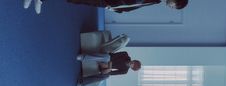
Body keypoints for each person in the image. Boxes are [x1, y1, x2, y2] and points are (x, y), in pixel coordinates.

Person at [23, 0, 188, 15]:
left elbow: (134, 5)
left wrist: (118, 9)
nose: (171, 7)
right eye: (174, 6)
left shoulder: (157, 1)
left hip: (111, 3)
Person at [76, 52, 141, 86]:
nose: (132, 64)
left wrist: (106, 70)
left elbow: (112, 73)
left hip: (106, 67)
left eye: (133, 66)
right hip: (106, 59)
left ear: (132, 68)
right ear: (134, 60)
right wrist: (108, 66)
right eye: (133, 62)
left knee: (106, 76)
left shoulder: (125, 71)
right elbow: (112, 57)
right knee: (107, 57)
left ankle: (82, 82)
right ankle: (83, 57)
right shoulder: (125, 54)